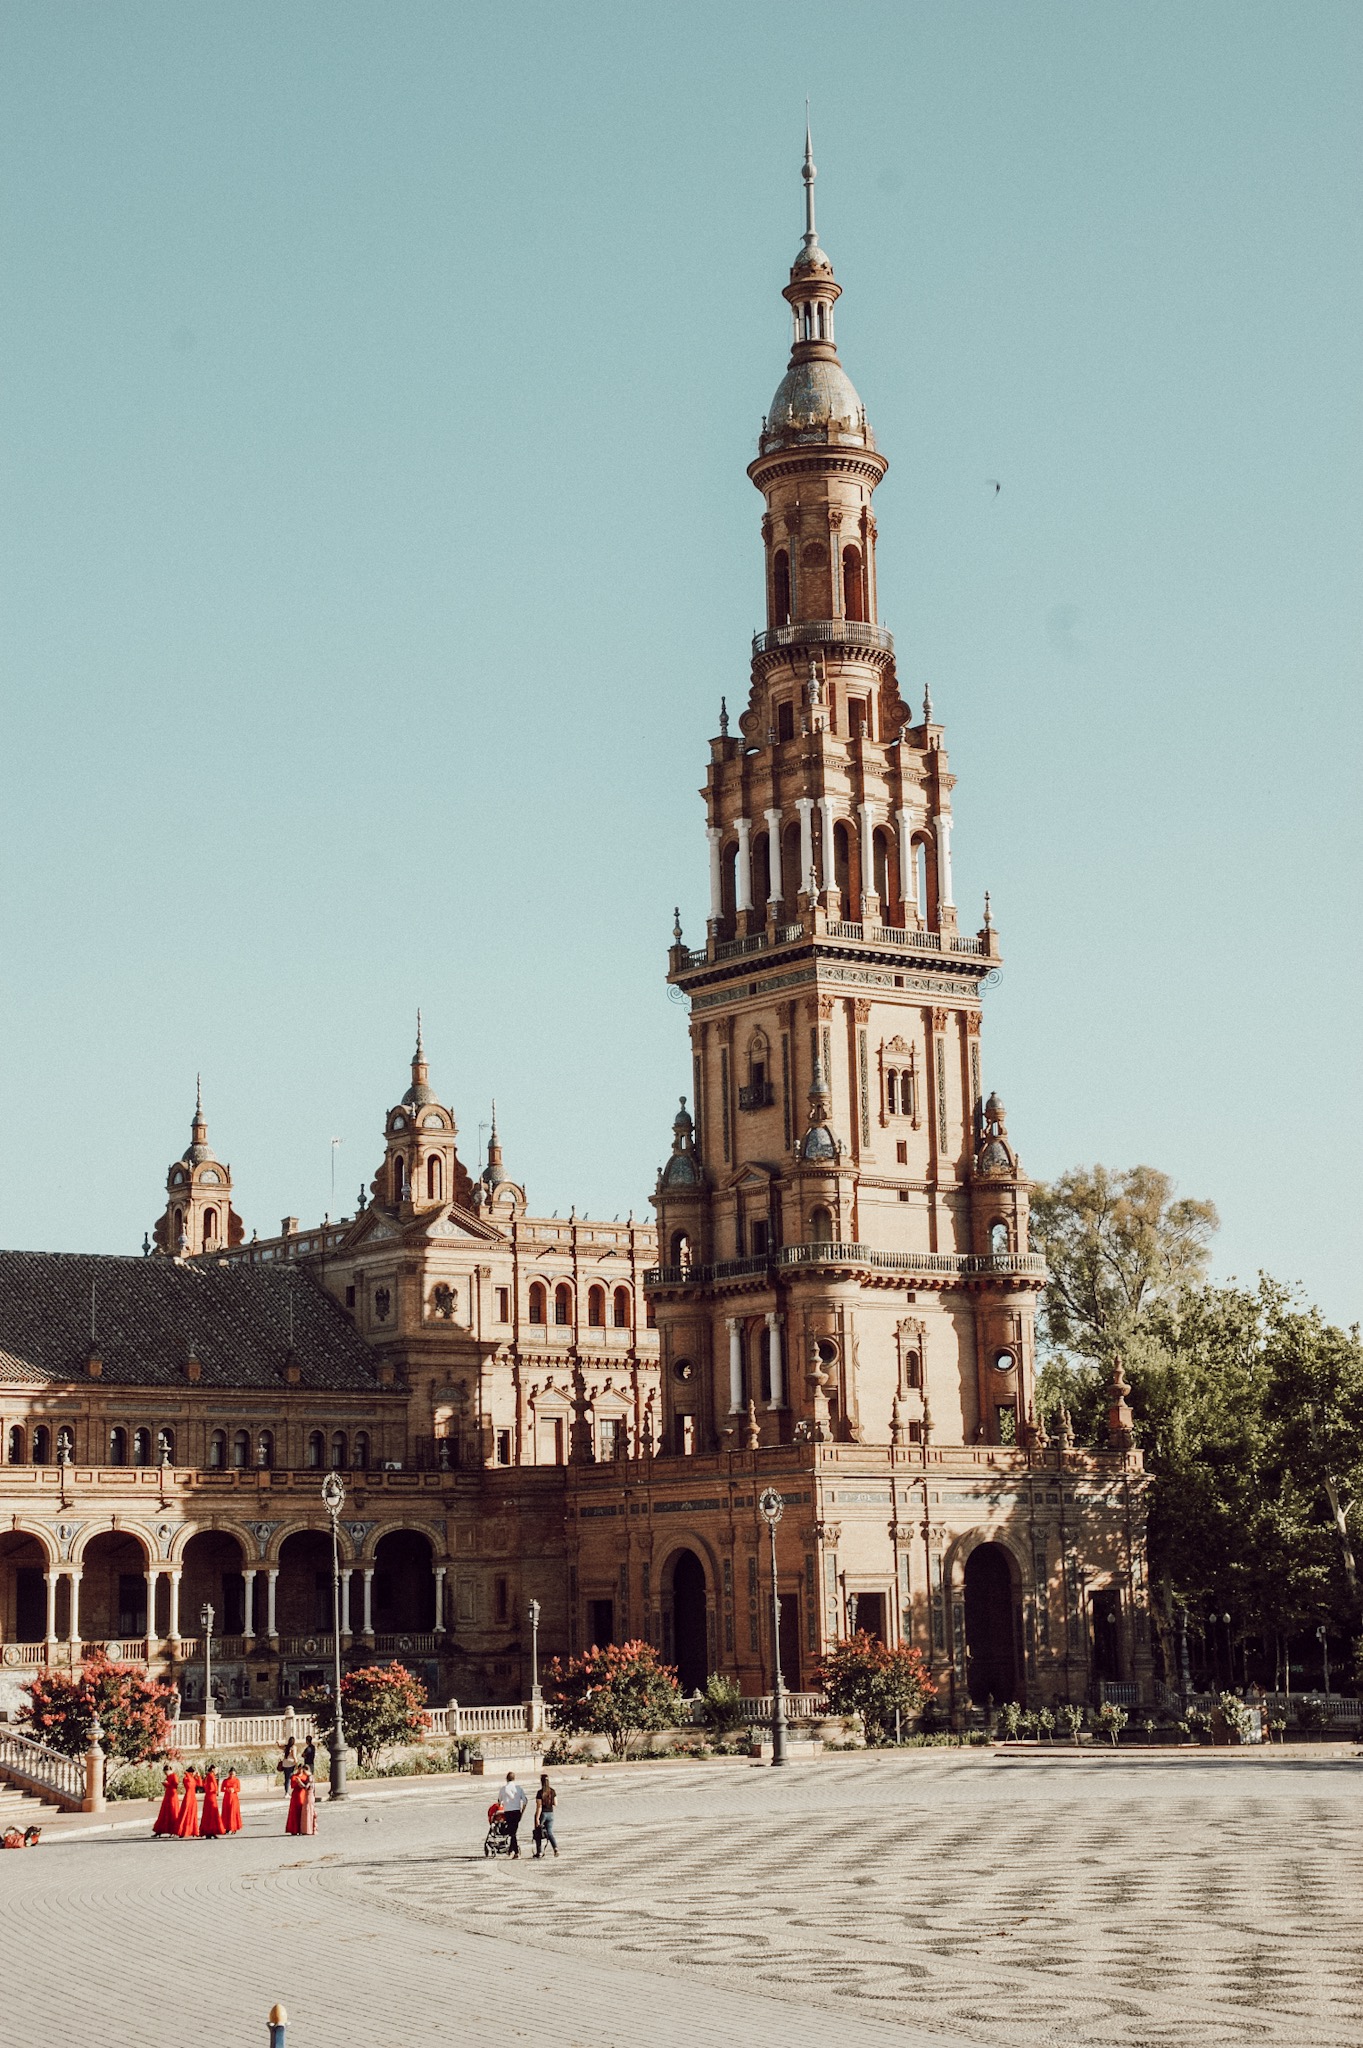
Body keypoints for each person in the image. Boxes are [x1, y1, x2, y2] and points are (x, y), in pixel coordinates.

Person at [497, 1770, 529, 1858]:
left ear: (506, 1779)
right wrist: (522, 1811)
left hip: (508, 1812)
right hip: (517, 1811)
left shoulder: (503, 1789)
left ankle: (515, 1851)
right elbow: (525, 1801)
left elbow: (499, 1801)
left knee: (512, 1832)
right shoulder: (519, 1788)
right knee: (513, 1832)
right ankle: (513, 1851)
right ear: (514, 1779)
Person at [285, 1763, 316, 1836]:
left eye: (302, 1768)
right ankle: (295, 1829)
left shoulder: (307, 1776)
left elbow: (308, 1786)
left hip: (304, 1794)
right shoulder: (294, 1776)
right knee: (295, 1812)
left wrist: (300, 1782)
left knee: (304, 1811)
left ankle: (303, 1828)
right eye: (300, 1768)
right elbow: (293, 1785)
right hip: (296, 1795)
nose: (301, 1770)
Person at [533, 1774, 559, 1859]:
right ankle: (555, 1848)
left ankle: (539, 1852)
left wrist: (537, 1818)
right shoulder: (552, 1791)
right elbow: (556, 1803)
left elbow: (539, 1807)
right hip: (551, 1814)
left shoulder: (540, 1793)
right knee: (550, 1832)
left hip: (543, 1814)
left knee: (538, 1833)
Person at [152, 1767, 181, 1838]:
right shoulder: (168, 1776)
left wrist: (167, 1784)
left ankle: (173, 1831)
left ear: (169, 1770)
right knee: (164, 1812)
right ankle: (159, 1830)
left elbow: (175, 1785)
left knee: (173, 1812)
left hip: (172, 1795)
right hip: (168, 1795)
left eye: (166, 1772)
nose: (165, 1773)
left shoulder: (174, 1775)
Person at [175, 1766, 201, 1839]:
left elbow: (200, 1784)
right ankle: (182, 1830)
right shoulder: (186, 1778)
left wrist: (198, 1776)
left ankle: (194, 1830)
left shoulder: (193, 1778)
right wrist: (188, 1775)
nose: (193, 1773)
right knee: (185, 1813)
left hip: (193, 1797)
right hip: (188, 1796)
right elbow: (188, 1786)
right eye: (191, 1772)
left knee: (193, 1813)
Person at [201, 1768, 225, 1839]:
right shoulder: (211, 1776)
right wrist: (216, 1791)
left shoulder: (207, 1777)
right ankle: (212, 1830)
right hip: (211, 1797)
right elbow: (215, 1785)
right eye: (216, 1770)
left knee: (208, 1814)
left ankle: (209, 1831)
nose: (217, 1771)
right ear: (213, 1769)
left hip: (208, 1797)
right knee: (213, 1814)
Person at [220, 1767, 243, 1835]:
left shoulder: (237, 1780)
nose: (231, 1775)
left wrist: (234, 1790)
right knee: (226, 1813)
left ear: (235, 1774)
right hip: (227, 1799)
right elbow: (221, 1789)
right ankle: (226, 1827)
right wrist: (226, 1789)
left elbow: (239, 1789)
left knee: (233, 1813)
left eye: (233, 1774)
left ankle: (234, 1828)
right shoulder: (225, 1781)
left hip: (234, 1799)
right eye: (230, 1774)